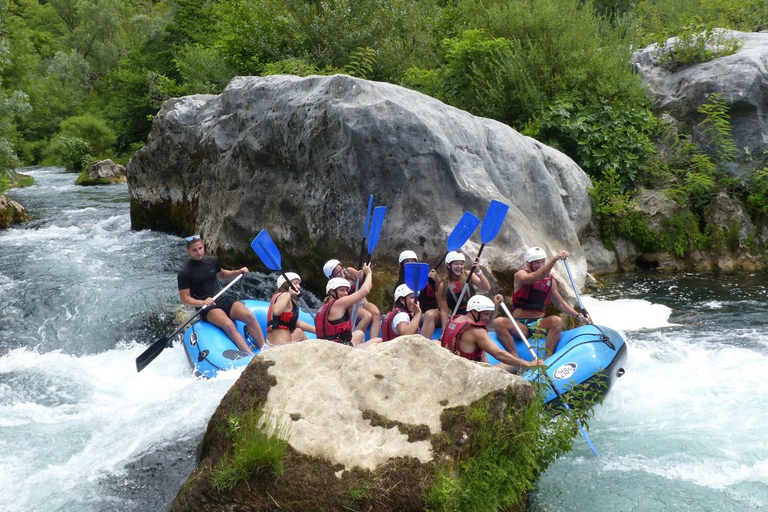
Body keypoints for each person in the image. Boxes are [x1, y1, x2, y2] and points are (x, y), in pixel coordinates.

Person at [493, 247, 591, 358]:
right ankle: (514, 357)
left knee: (557, 320)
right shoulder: (520, 275)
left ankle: (548, 359)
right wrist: (554, 259)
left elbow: (560, 304)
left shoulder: (550, 281)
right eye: (536, 263)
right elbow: (537, 277)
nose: (540, 265)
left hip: (539, 325)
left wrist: (578, 315)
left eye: (542, 262)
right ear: (529, 263)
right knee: (498, 322)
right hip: (520, 326)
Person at [177, 234, 265, 354]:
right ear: (187, 251)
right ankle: (250, 355)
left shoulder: (212, 261)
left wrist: (238, 272)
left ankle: (264, 349)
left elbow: (222, 275)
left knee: (249, 316)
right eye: (194, 250)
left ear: (203, 246)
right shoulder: (184, 272)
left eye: (200, 248)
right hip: (207, 306)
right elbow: (184, 298)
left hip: (222, 298)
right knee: (228, 324)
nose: (199, 252)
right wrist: (202, 302)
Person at [440, 295, 544, 371]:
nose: (487, 318)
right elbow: (499, 354)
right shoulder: (476, 331)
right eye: (486, 314)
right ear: (475, 311)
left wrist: (495, 305)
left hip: (453, 366)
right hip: (470, 373)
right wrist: (528, 364)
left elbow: (485, 324)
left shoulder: (456, 319)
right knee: (514, 363)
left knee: (482, 351)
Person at [315, 263, 382, 348]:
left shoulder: (322, 308)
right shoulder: (339, 303)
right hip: (342, 348)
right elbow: (365, 291)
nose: (346, 293)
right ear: (332, 292)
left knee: (360, 333)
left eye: (346, 290)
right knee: (378, 341)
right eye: (342, 290)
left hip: (329, 346)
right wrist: (369, 274)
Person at [438, 251, 491, 332]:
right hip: (458, 315)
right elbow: (444, 310)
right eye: (456, 264)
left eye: (461, 264)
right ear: (448, 265)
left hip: (474, 313)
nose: (460, 266)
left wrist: (478, 271)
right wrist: (444, 330)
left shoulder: (468, 274)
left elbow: (486, 287)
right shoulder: (443, 285)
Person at [395, 250, 442, 339]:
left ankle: (422, 344)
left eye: (413, 261)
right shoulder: (400, 284)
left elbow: (443, 295)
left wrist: (437, 279)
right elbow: (396, 305)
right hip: (413, 314)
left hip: (433, 313)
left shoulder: (428, 278)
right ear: (402, 265)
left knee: (429, 315)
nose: (411, 264)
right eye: (407, 262)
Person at [265, 272, 316, 346]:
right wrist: (289, 294)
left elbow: (296, 322)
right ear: (286, 285)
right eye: (295, 283)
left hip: (272, 342)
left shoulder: (279, 296)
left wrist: (317, 331)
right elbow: (276, 311)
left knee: (299, 332)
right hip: (281, 343)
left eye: (299, 284)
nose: (299, 287)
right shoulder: (285, 295)